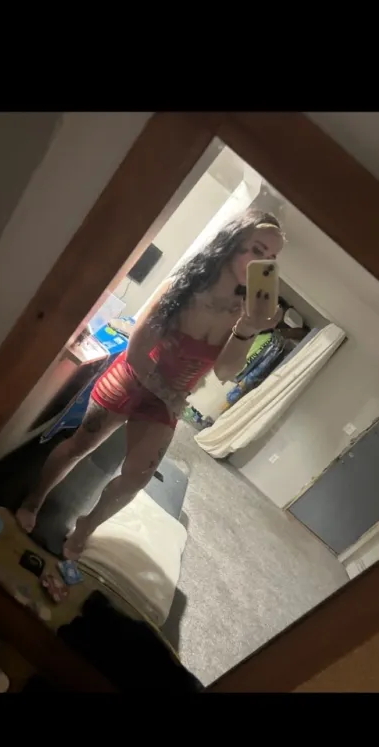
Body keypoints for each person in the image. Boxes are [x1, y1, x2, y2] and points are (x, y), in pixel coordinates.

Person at [16, 208, 285, 559]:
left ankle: (85, 527)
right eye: (257, 250)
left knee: (136, 478)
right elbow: (137, 348)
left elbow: (224, 372)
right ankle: (33, 500)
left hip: (168, 399)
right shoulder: (183, 286)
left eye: (271, 258)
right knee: (80, 444)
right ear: (232, 243)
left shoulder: (244, 313)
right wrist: (167, 393)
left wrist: (247, 329)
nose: (262, 263)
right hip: (133, 376)